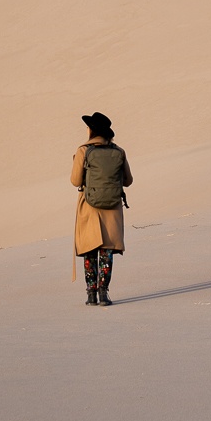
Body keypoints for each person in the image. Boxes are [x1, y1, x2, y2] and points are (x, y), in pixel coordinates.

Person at [70, 112, 133, 307]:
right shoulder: (119, 151)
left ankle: (91, 294)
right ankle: (104, 294)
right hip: (112, 207)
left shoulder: (83, 151)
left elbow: (75, 181)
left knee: (90, 250)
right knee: (106, 251)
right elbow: (128, 181)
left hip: (89, 206)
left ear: (91, 130)